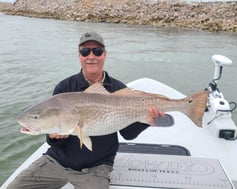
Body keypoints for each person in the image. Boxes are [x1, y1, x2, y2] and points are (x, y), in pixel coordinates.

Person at [7, 31, 164, 189]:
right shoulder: (64, 88)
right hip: (57, 162)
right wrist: (53, 137)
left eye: (97, 51)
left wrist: (148, 119)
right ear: (79, 55)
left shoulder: (118, 89)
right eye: (85, 51)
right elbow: (53, 140)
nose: (91, 56)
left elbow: (128, 134)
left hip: (96, 169)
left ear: (104, 54)